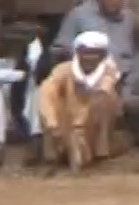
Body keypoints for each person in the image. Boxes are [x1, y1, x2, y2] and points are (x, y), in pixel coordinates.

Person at [37, 31, 122, 170]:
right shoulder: (63, 69)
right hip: (65, 124)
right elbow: (47, 92)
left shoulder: (109, 71)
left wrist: (79, 129)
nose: (89, 57)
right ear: (78, 53)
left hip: (91, 126)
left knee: (105, 98)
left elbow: (104, 89)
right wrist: (53, 124)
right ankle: (56, 155)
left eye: (94, 53)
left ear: (102, 56)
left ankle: (100, 153)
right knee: (46, 93)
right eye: (85, 53)